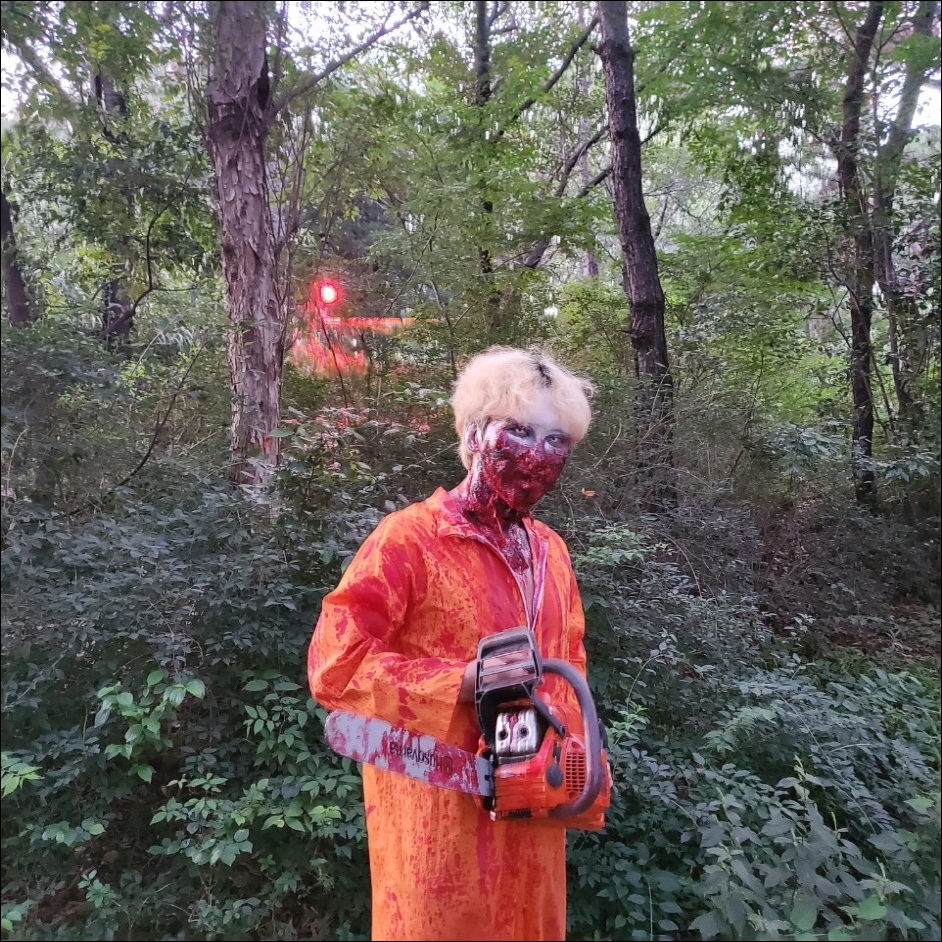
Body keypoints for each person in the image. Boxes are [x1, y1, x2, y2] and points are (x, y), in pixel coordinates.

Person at [307, 345, 600, 941]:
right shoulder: (410, 540)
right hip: (437, 826)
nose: (538, 455)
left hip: (533, 816)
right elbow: (335, 665)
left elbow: (571, 668)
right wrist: (459, 683)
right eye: (520, 431)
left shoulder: (551, 552)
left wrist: (575, 766)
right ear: (473, 433)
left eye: (555, 440)